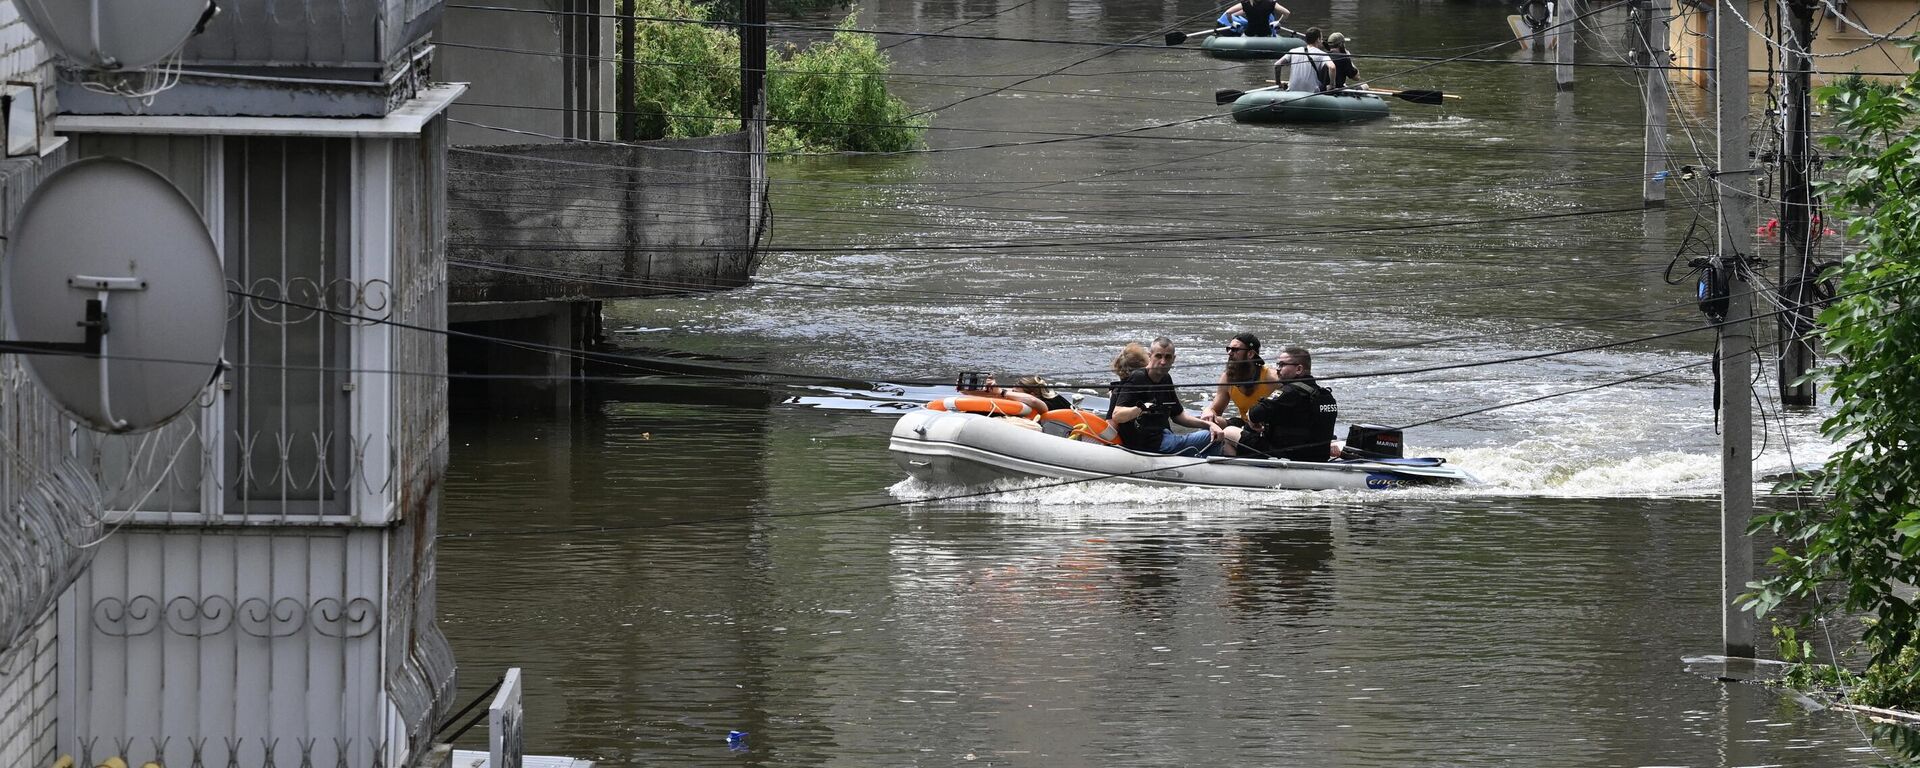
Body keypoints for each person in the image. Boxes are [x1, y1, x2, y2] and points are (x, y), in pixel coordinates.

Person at [1107, 337, 1225, 456]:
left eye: (1167, 357)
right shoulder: (1138, 377)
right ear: (1150, 356)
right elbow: (1117, 415)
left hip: (1164, 436)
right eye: (1158, 356)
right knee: (1207, 436)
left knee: (1213, 430)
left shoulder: (1166, 378)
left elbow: (1178, 416)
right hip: (1148, 444)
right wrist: (1140, 408)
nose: (1163, 362)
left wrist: (1209, 424)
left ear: (1174, 359)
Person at [1244, 346, 1339, 461]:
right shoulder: (1325, 395)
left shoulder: (1290, 392)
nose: (1277, 369)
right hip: (1319, 457)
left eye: (1282, 365)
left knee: (1229, 432)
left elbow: (1255, 414)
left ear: (1299, 369)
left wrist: (1253, 419)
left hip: (1287, 456)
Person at [1199, 332, 1282, 429]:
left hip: (1269, 427)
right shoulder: (1227, 378)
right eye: (1228, 349)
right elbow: (1215, 410)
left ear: (1250, 354)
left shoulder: (1272, 378)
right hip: (1244, 424)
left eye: (1235, 349)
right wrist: (1208, 411)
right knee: (1208, 422)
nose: (1229, 353)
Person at [957, 372, 1052, 415]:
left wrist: (1001, 392)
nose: (1012, 392)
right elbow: (999, 393)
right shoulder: (1039, 393)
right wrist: (967, 391)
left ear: (1033, 393)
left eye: (1015, 392)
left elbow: (1032, 400)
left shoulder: (1047, 403)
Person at [1276, 27, 1334, 93]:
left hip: (1292, 91)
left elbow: (1277, 64)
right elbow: (1332, 67)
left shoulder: (1293, 51)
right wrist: (1332, 85)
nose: (1322, 41)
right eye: (1321, 39)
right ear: (1318, 39)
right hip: (1312, 92)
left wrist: (1279, 83)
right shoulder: (1322, 54)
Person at [1221, 0, 1291, 37]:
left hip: (1249, 34)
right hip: (1266, 34)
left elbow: (1228, 13)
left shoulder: (1245, 3)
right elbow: (1287, 13)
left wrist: (1232, 23)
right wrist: (1279, 22)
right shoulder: (1271, 3)